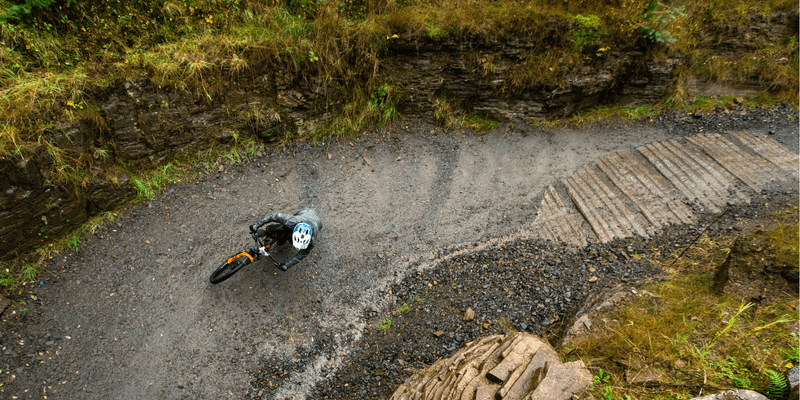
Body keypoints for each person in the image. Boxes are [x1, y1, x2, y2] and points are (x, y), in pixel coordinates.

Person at [249, 209, 322, 271]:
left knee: (284, 237)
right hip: (304, 212)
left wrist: (287, 265)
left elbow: (303, 254)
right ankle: (265, 231)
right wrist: (257, 224)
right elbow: (273, 216)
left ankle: (285, 237)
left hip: (317, 221)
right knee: (281, 228)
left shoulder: (311, 240)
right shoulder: (292, 221)